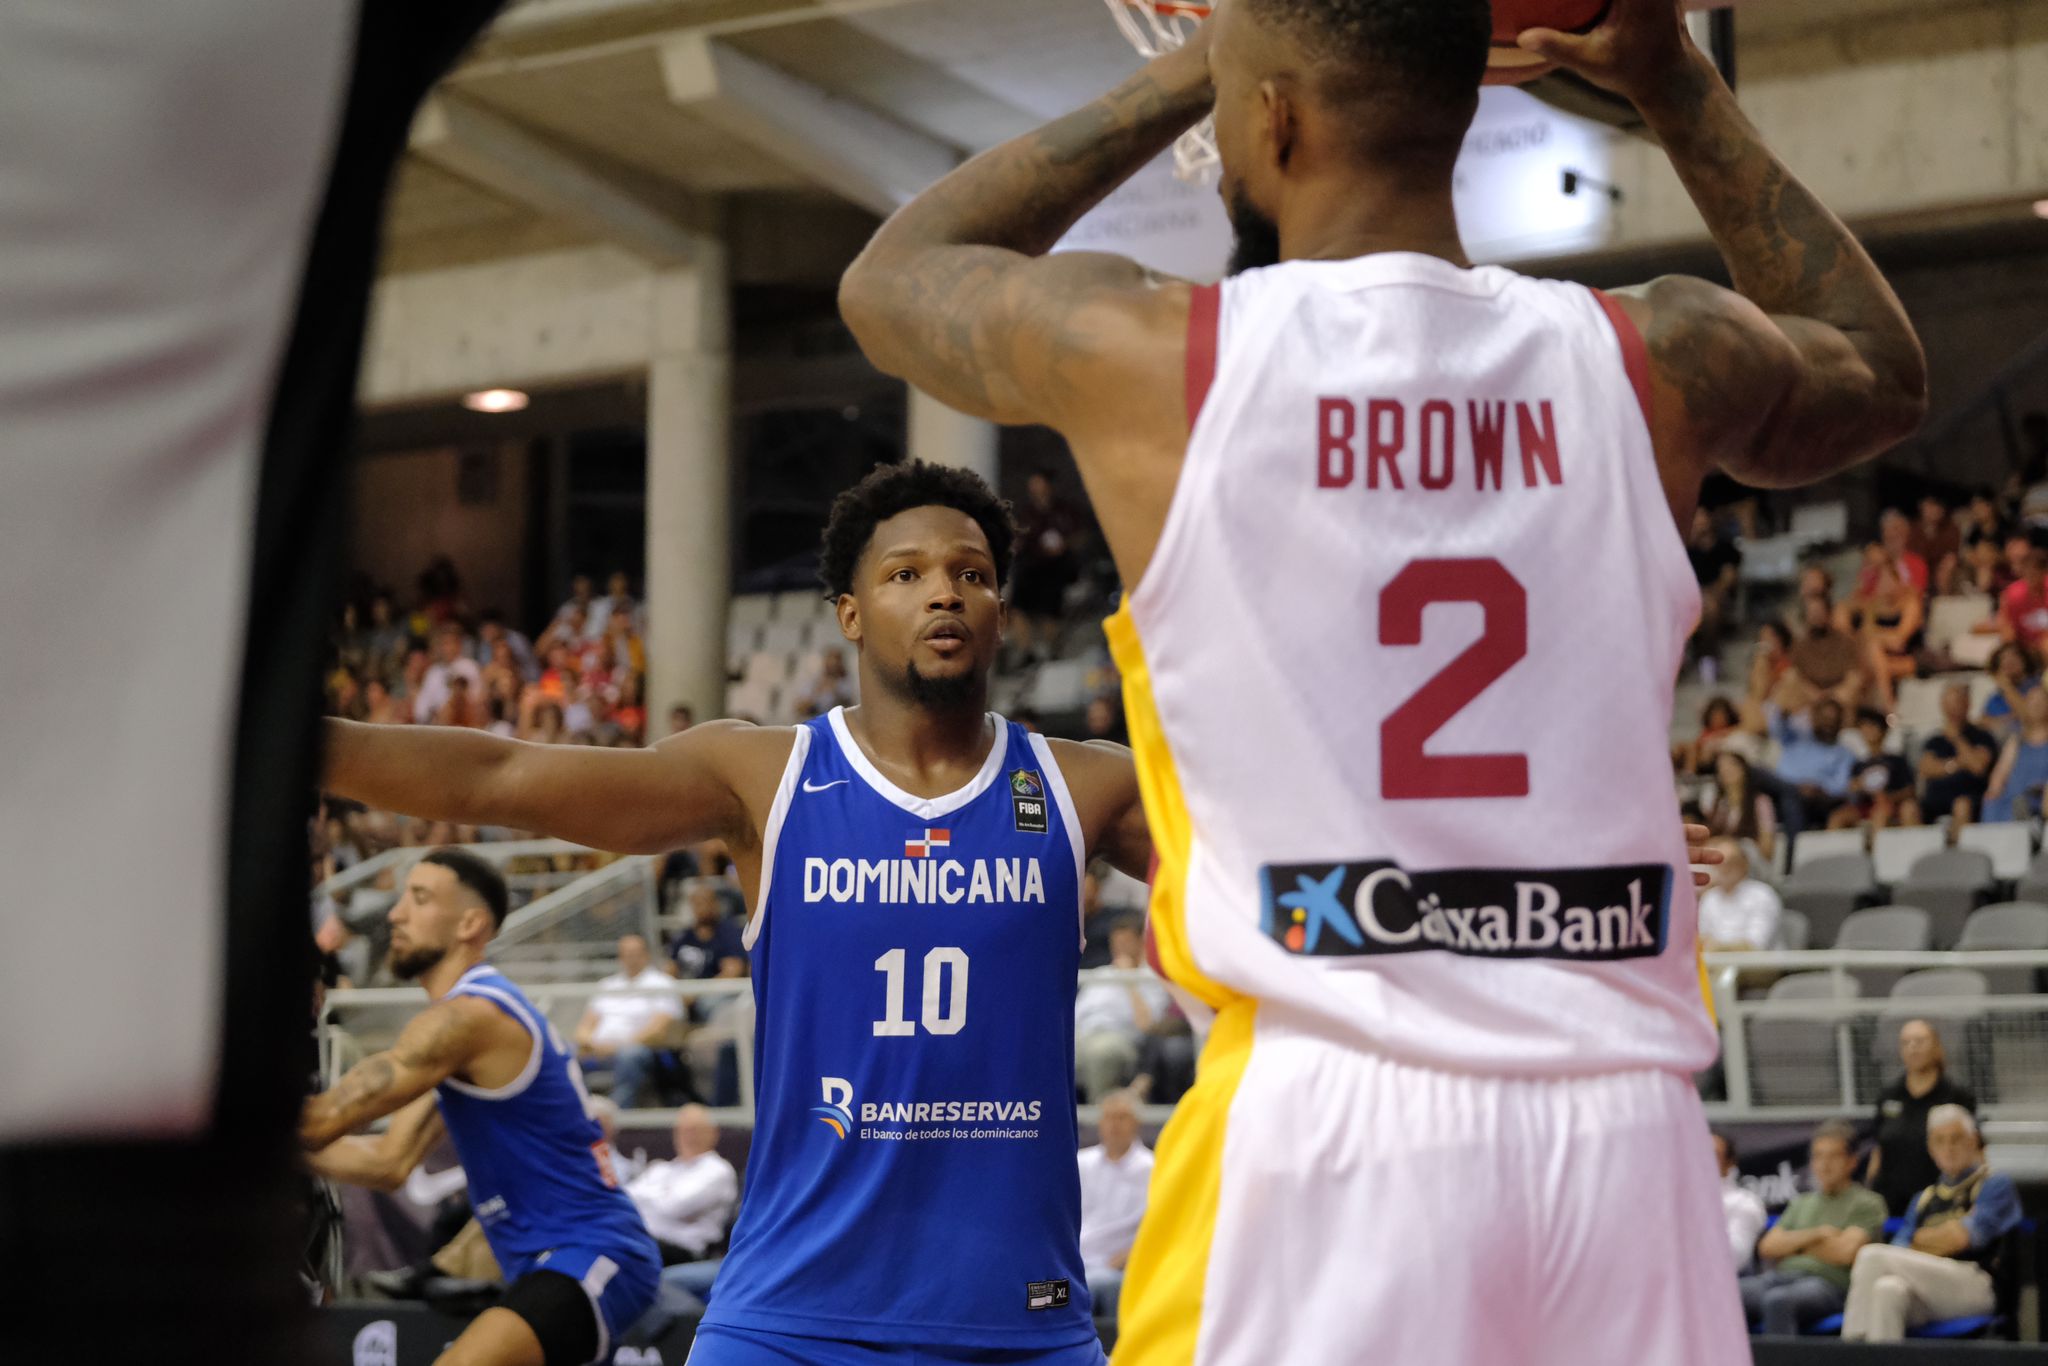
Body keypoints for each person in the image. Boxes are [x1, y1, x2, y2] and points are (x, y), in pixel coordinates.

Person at [835, 0, 1924, 1356]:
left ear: (1274, 117)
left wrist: (1198, 62)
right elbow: (1881, 368)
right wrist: (1670, 75)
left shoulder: (1163, 357)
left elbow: (893, 281)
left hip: (1329, 1119)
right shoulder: (1654, 355)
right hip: (1627, 1123)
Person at [324, 461, 1163, 1364]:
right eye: (906, 574)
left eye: (971, 574)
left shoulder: (1084, 786)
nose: (945, 594)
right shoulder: (768, 777)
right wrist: (293, 739)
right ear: (849, 612)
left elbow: (1271, 871)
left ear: (1000, 607)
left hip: (1021, 1327)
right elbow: (505, 775)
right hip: (787, 1321)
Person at [0, 3, 510, 1359]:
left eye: (420, 887)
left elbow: (385, 1141)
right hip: (126, 1124)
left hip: (135, 1151)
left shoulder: (479, 1007)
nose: (404, 895)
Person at [301, 849, 659, 1365]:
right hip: (547, 1263)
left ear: (471, 923)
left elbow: (328, 1117)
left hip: (592, 1253)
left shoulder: (471, 1017)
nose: (395, 913)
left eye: (419, 898)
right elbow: (387, 1163)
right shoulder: (462, 1036)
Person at [1843, 1106, 2022, 1341]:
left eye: (1956, 1139)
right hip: (1929, 1289)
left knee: (1871, 1256)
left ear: (1973, 1141)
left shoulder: (1994, 1184)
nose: (1948, 1149)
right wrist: (1944, 1237)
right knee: (1887, 1290)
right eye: (1940, 1141)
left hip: (1979, 1286)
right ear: (1931, 1148)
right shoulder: (1923, 1199)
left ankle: (1851, 1352)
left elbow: (1963, 1239)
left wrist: (1923, 1239)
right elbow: (1900, 1250)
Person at [1741, 1121, 1888, 1336]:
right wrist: (1818, 1234)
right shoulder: (1801, 1202)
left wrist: (1792, 1246)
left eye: (1833, 1156)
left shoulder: (1868, 1203)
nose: (1824, 1164)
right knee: (1732, 1293)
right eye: (1818, 1156)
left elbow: (1844, 1253)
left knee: (1778, 1301)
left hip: (1830, 1285)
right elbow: (1768, 1247)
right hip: (1783, 1277)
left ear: (1852, 1161)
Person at [1868, 1019, 1979, 1215]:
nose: (1913, 1047)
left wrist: (1977, 1195)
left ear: (1936, 1046)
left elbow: (1975, 1148)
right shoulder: (1889, 1096)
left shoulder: (1956, 1095)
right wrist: (1869, 1191)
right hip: (1890, 1202)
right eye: (1906, 1042)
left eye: (1920, 1041)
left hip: (1940, 1203)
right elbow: (1878, 1151)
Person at [574, 935, 685, 1110]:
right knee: (566, 1053)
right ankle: (580, 1112)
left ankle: (617, 1116)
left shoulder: (661, 983)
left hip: (639, 1050)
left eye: (635, 953)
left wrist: (619, 1046)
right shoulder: (607, 985)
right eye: (625, 953)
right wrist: (590, 1043)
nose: (630, 958)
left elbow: (659, 1029)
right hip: (600, 1050)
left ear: (646, 954)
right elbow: (584, 1026)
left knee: (630, 1056)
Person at [626, 1105, 739, 1267]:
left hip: (685, 1252)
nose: (688, 1137)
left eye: (695, 1130)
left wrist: (648, 1197)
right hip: (645, 1241)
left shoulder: (717, 1170)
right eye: (682, 1131)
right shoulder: (661, 1168)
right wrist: (663, 1194)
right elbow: (626, 1199)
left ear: (713, 1133)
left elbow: (674, 1208)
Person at [1074, 922, 1172, 1101]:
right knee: (1052, 1050)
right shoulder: (1100, 974)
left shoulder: (1151, 978)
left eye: (1126, 942)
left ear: (1141, 943)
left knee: (1102, 1053)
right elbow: (1075, 1015)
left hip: (1122, 1040)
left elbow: (1146, 1025)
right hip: (1083, 1035)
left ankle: (1097, 1121)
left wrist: (1129, 980)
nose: (1120, 948)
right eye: (1116, 943)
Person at [1077, 1091, 1153, 1317]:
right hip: (1077, 1259)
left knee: (1093, 1284)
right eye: (1109, 1117)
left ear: (1136, 1123)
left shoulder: (1153, 1169)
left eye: (1122, 1117)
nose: (1114, 1125)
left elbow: (1159, 1226)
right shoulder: (1081, 1163)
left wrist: (1130, 1256)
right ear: (1100, 1123)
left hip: (1120, 1265)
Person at [1768, 698, 1858, 838]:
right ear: (1814, 718)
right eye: (1824, 718)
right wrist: (1784, 712)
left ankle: (1793, 852)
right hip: (1780, 790)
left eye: (1833, 719)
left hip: (1814, 800)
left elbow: (1841, 786)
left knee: (1793, 801)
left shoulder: (1844, 754)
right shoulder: (1795, 738)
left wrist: (1819, 788)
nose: (1828, 723)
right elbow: (1777, 728)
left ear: (1840, 723)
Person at [1918, 683, 1997, 826]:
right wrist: (1958, 763)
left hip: (1970, 797)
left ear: (1967, 704)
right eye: (1948, 704)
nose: (1952, 709)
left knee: (1962, 805)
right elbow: (1926, 769)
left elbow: (1978, 766)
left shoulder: (1982, 737)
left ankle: (1957, 848)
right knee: (1909, 808)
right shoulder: (1935, 740)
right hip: (1935, 799)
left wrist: (1956, 738)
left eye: (1957, 703)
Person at [1697, 839, 1781, 953]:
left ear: (1744, 864)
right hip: (1715, 963)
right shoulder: (1710, 897)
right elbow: (1702, 938)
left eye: (1730, 862)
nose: (1724, 868)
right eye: (1718, 863)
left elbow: (1755, 946)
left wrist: (1718, 948)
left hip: (1755, 965)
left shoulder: (1762, 894)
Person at [1984, 685, 2048, 821]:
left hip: (2042, 797)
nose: (2036, 705)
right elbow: (2000, 775)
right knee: (1993, 802)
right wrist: (1994, 791)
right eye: (2032, 700)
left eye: (2041, 700)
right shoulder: (2017, 741)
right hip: (2015, 800)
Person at [1700, 751, 1777, 862]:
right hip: (1724, 862)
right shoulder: (1718, 804)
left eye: (1731, 764)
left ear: (1743, 769)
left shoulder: (1761, 802)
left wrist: (1735, 847)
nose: (1726, 769)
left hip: (1750, 862)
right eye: (1720, 767)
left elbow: (1767, 849)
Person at [1688, 507, 1742, 658]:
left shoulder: (1724, 546)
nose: (1700, 522)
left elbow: (1729, 575)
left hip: (1719, 595)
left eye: (1702, 517)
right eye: (1695, 518)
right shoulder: (1687, 550)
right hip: (1694, 596)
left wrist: (1713, 592)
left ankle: (1708, 653)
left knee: (1711, 608)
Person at [1714, 1130, 1768, 1273]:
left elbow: (1735, 1258)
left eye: (1713, 1154)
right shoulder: (1675, 1200)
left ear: (1730, 1163)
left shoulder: (1745, 1203)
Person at [1978, 641, 2038, 739]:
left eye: (2014, 657)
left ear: (2024, 661)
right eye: (2003, 659)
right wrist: (2010, 718)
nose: (2008, 662)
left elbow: (2031, 718)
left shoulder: (2036, 686)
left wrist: (2007, 687)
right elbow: (1983, 722)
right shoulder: (1996, 696)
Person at [1997, 544, 2048, 652]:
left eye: (2036, 570)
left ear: (2044, 571)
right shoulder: (2012, 594)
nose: (2031, 574)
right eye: (2028, 570)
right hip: (2023, 648)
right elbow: (2006, 628)